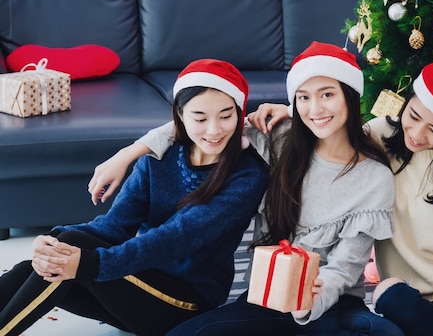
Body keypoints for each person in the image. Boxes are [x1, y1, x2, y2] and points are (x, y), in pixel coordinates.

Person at [86, 42, 404, 335]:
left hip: (329, 302)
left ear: (350, 94)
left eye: (327, 94)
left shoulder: (374, 177)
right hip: (266, 296)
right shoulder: (280, 138)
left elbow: (347, 266)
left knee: (384, 332)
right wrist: (127, 154)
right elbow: (202, 119)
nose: (315, 109)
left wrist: (311, 303)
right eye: (304, 98)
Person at [247, 57, 433, 335]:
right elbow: (330, 130)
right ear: (407, 102)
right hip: (406, 297)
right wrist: (294, 112)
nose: (417, 133)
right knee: (392, 298)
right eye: (413, 116)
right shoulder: (378, 135)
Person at [0, 59, 269, 336]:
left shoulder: (247, 175)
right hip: (137, 283)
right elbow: (114, 227)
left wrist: (90, 263)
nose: (214, 130)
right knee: (46, 260)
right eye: (200, 118)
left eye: (226, 116)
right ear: (180, 115)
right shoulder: (158, 158)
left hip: (185, 301)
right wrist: (51, 240)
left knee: (66, 254)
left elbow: (175, 238)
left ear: (239, 115)